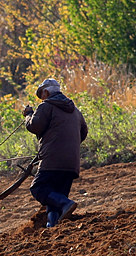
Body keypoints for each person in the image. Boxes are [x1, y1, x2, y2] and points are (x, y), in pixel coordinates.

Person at [23, 78, 88, 228]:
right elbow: (83, 132)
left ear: (46, 92)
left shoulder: (46, 106)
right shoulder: (75, 111)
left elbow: (35, 126)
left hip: (53, 159)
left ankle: (66, 204)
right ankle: (52, 225)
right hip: (72, 162)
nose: (42, 98)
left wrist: (28, 114)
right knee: (55, 195)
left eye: (42, 95)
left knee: (39, 188)